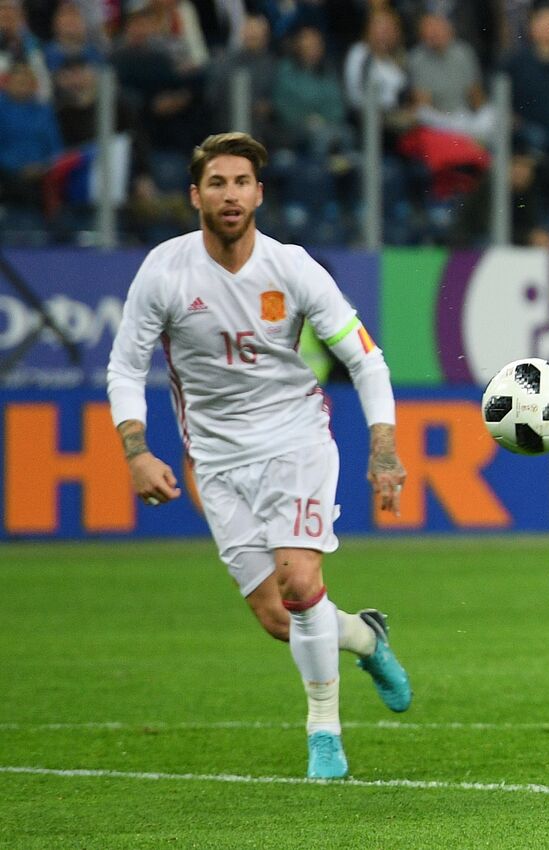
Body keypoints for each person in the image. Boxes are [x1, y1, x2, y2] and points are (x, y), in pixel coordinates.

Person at [106, 132, 412, 780]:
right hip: (215, 459)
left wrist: (383, 451)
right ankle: (365, 636)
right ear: (195, 195)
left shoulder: (293, 267)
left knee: (301, 584)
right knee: (280, 617)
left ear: (260, 193)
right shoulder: (164, 271)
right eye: (217, 183)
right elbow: (124, 368)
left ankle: (323, 732)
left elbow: (365, 357)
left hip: (295, 439)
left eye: (242, 182)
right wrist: (136, 450)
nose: (230, 195)